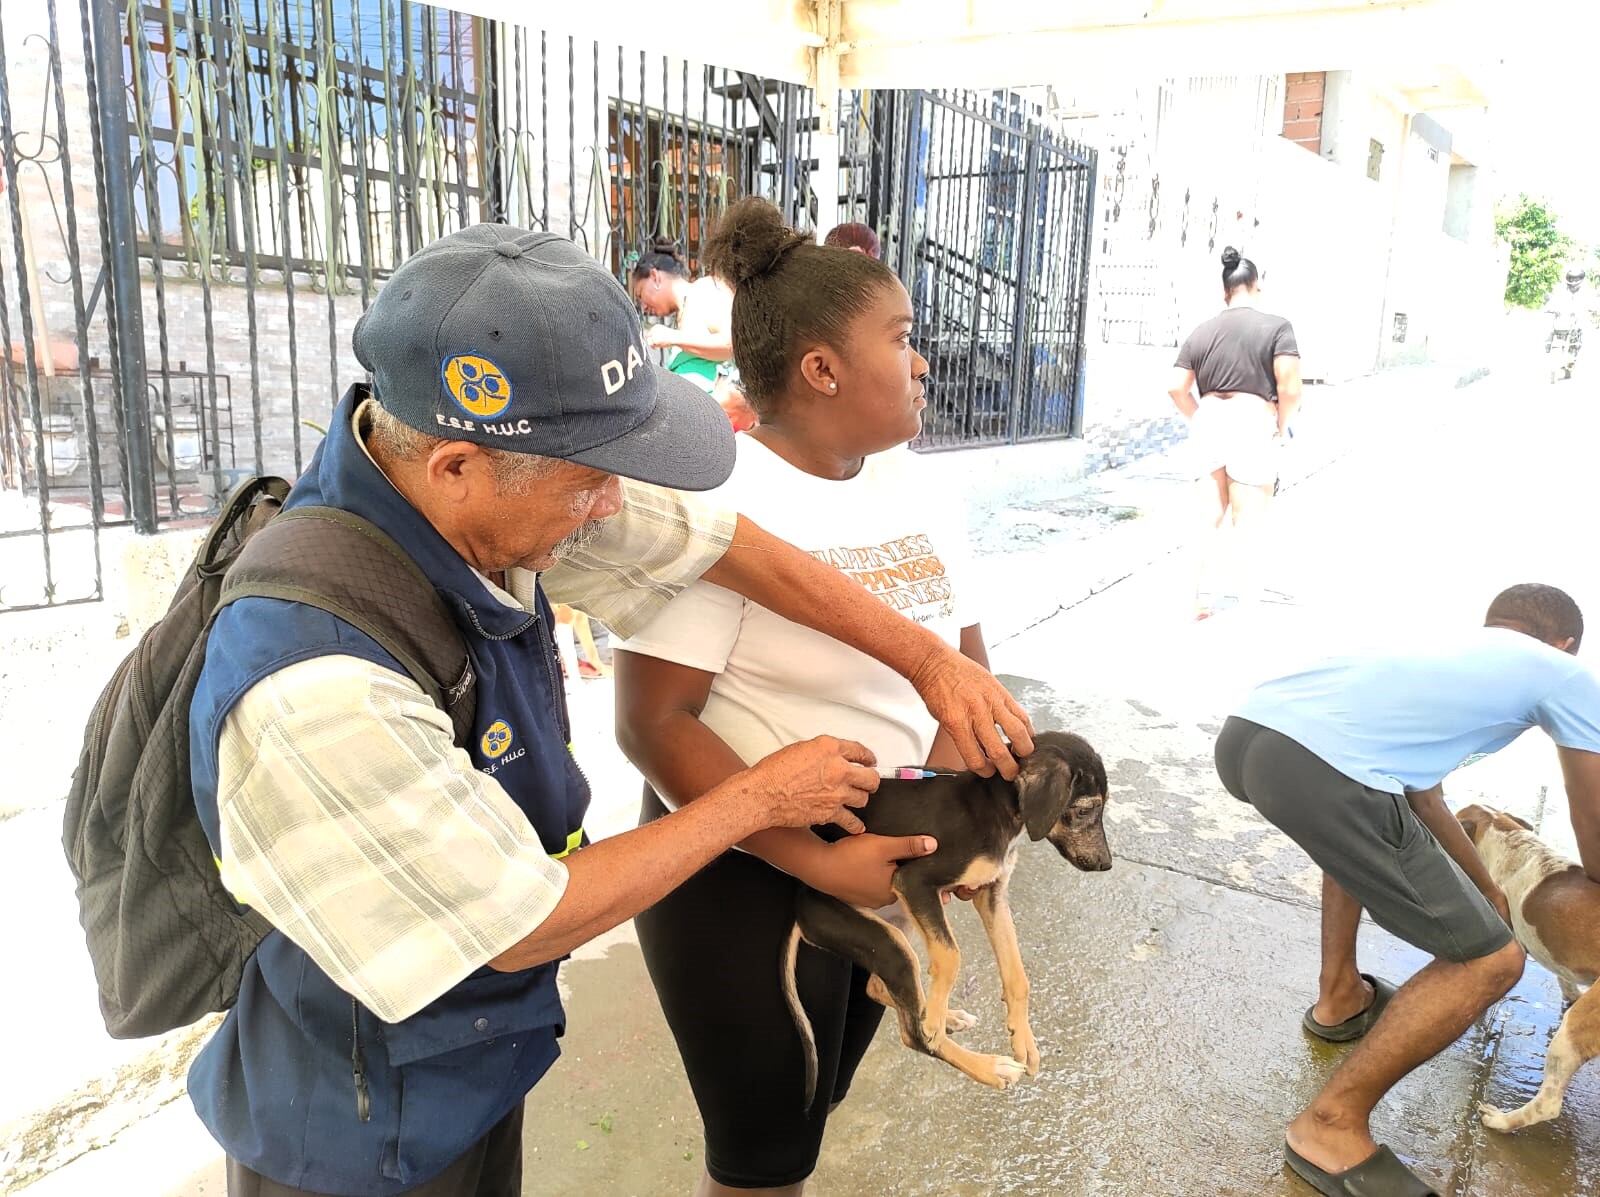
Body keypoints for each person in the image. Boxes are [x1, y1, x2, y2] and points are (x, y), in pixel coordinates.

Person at [186, 224, 1033, 1197]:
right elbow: (518, 920)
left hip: (468, 1058)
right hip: (350, 1120)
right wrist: (757, 799)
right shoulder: (319, 684)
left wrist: (929, 661)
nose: (610, 508)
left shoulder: (480, 487)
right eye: (591, 481)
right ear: (456, 466)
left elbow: (726, 547)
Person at [613, 197, 993, 1195]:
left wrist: (940, 841)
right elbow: (652, 723)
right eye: (902, 339)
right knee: (762, 1164)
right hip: (743, 873)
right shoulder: (720, 500)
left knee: (812, 1117)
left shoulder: (917, 486)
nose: (922, 361)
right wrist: (818, 866)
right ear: (823, 368)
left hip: (880, 860)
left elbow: (965, 671)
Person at [1214, 583, 1600, 1196]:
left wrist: (1488, 892)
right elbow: (1595, 828)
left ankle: (1340, 998)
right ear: (1565, 643)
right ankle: (1330, 1126)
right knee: (1493, 961)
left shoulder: (1450, 651)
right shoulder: (1568, 674)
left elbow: (1423, 795)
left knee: (1359, 837)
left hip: (1248, 738)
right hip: (1320, 768)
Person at [1168, 247, 1303, 619]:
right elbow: (1290, 386)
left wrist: (1199, 416)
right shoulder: (1276, 327)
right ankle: (1247, 608)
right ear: (1255, 286)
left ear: (1225, 290)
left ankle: (1189, 600)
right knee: (1249, 518)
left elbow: (1176, 386)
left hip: (1210, 416)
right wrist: (1281, 422)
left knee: (1206, 515)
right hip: (1252, 417)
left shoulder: (1203, 331)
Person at [630, 243, 735, 391]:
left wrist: (673, 337)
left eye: (641, 294)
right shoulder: (683, 312)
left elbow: (733, 344)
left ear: (655, 277)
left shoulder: (703, 290)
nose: (644, 307)